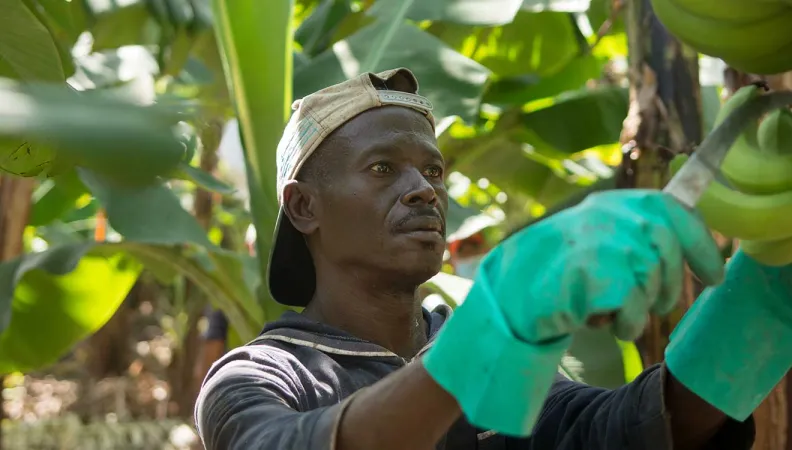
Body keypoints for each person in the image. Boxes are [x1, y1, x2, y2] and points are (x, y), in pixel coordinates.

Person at [195, 68, 792, 449]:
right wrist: (483, 339)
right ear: (303, 207)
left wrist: (764, 300)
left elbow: (618, 432)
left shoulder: (478, 348)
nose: (425, 188)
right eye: (382, 169)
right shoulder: (258, 378)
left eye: (433, 170)